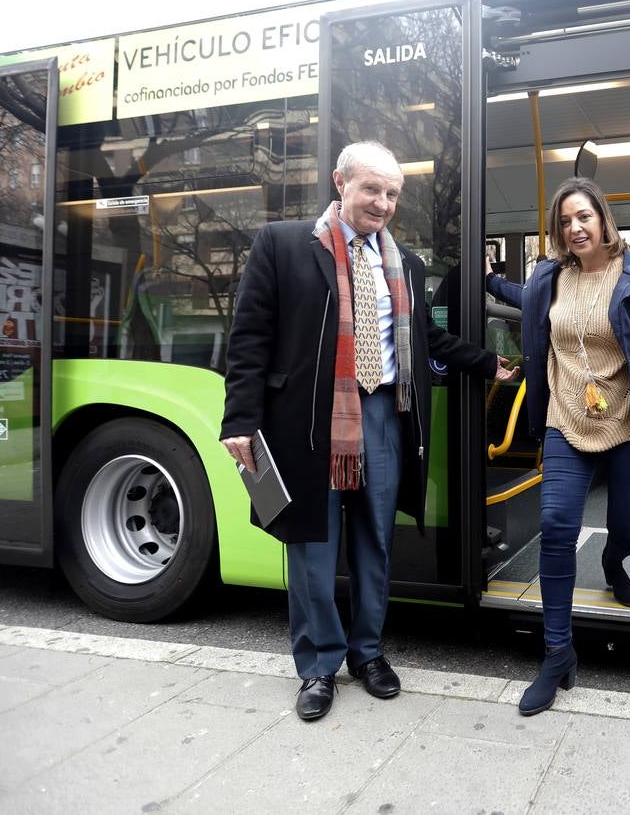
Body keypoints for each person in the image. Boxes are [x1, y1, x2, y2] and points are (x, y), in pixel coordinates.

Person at [220, 141, 517, 722]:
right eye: (371, 189)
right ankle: (317, 666)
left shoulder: (404, 262)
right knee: (312, 546)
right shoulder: (282, 245)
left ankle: (369, 653)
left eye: (392, 194)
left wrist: (485, 362)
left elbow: (420, 341)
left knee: (374, 542)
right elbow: (249, 338)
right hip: (310, 420)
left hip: (383, 414)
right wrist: (241, 421)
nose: (383, 203)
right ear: (340, 183)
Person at [484, 177, 630, 715]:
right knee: (556, 526)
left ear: (602, 218)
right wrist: (483, 278)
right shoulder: (550, 277)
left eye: (583, 217)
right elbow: (522, 298)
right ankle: (557, 653)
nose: (574, 228)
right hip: (565, 421)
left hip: (626, 423)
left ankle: (615, 560)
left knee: (629, 526)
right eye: (564, 222)